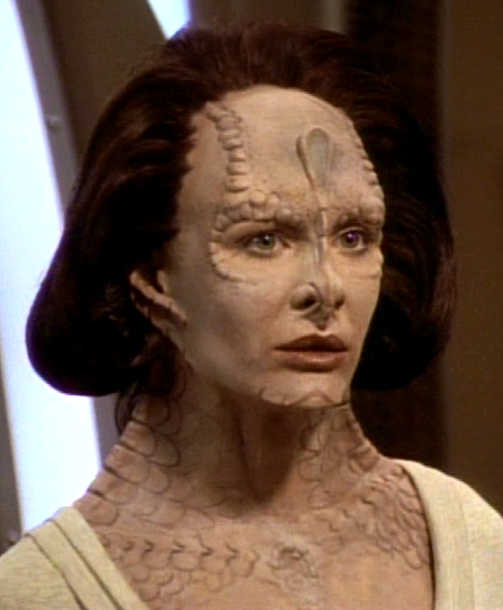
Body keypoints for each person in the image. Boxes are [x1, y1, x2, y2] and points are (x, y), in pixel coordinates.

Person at [0, 23, 501, 610]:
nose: (325, 287)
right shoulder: (38, 593)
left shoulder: (473, 542)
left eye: (354, 236)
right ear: (152, 278)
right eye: (263, 239)